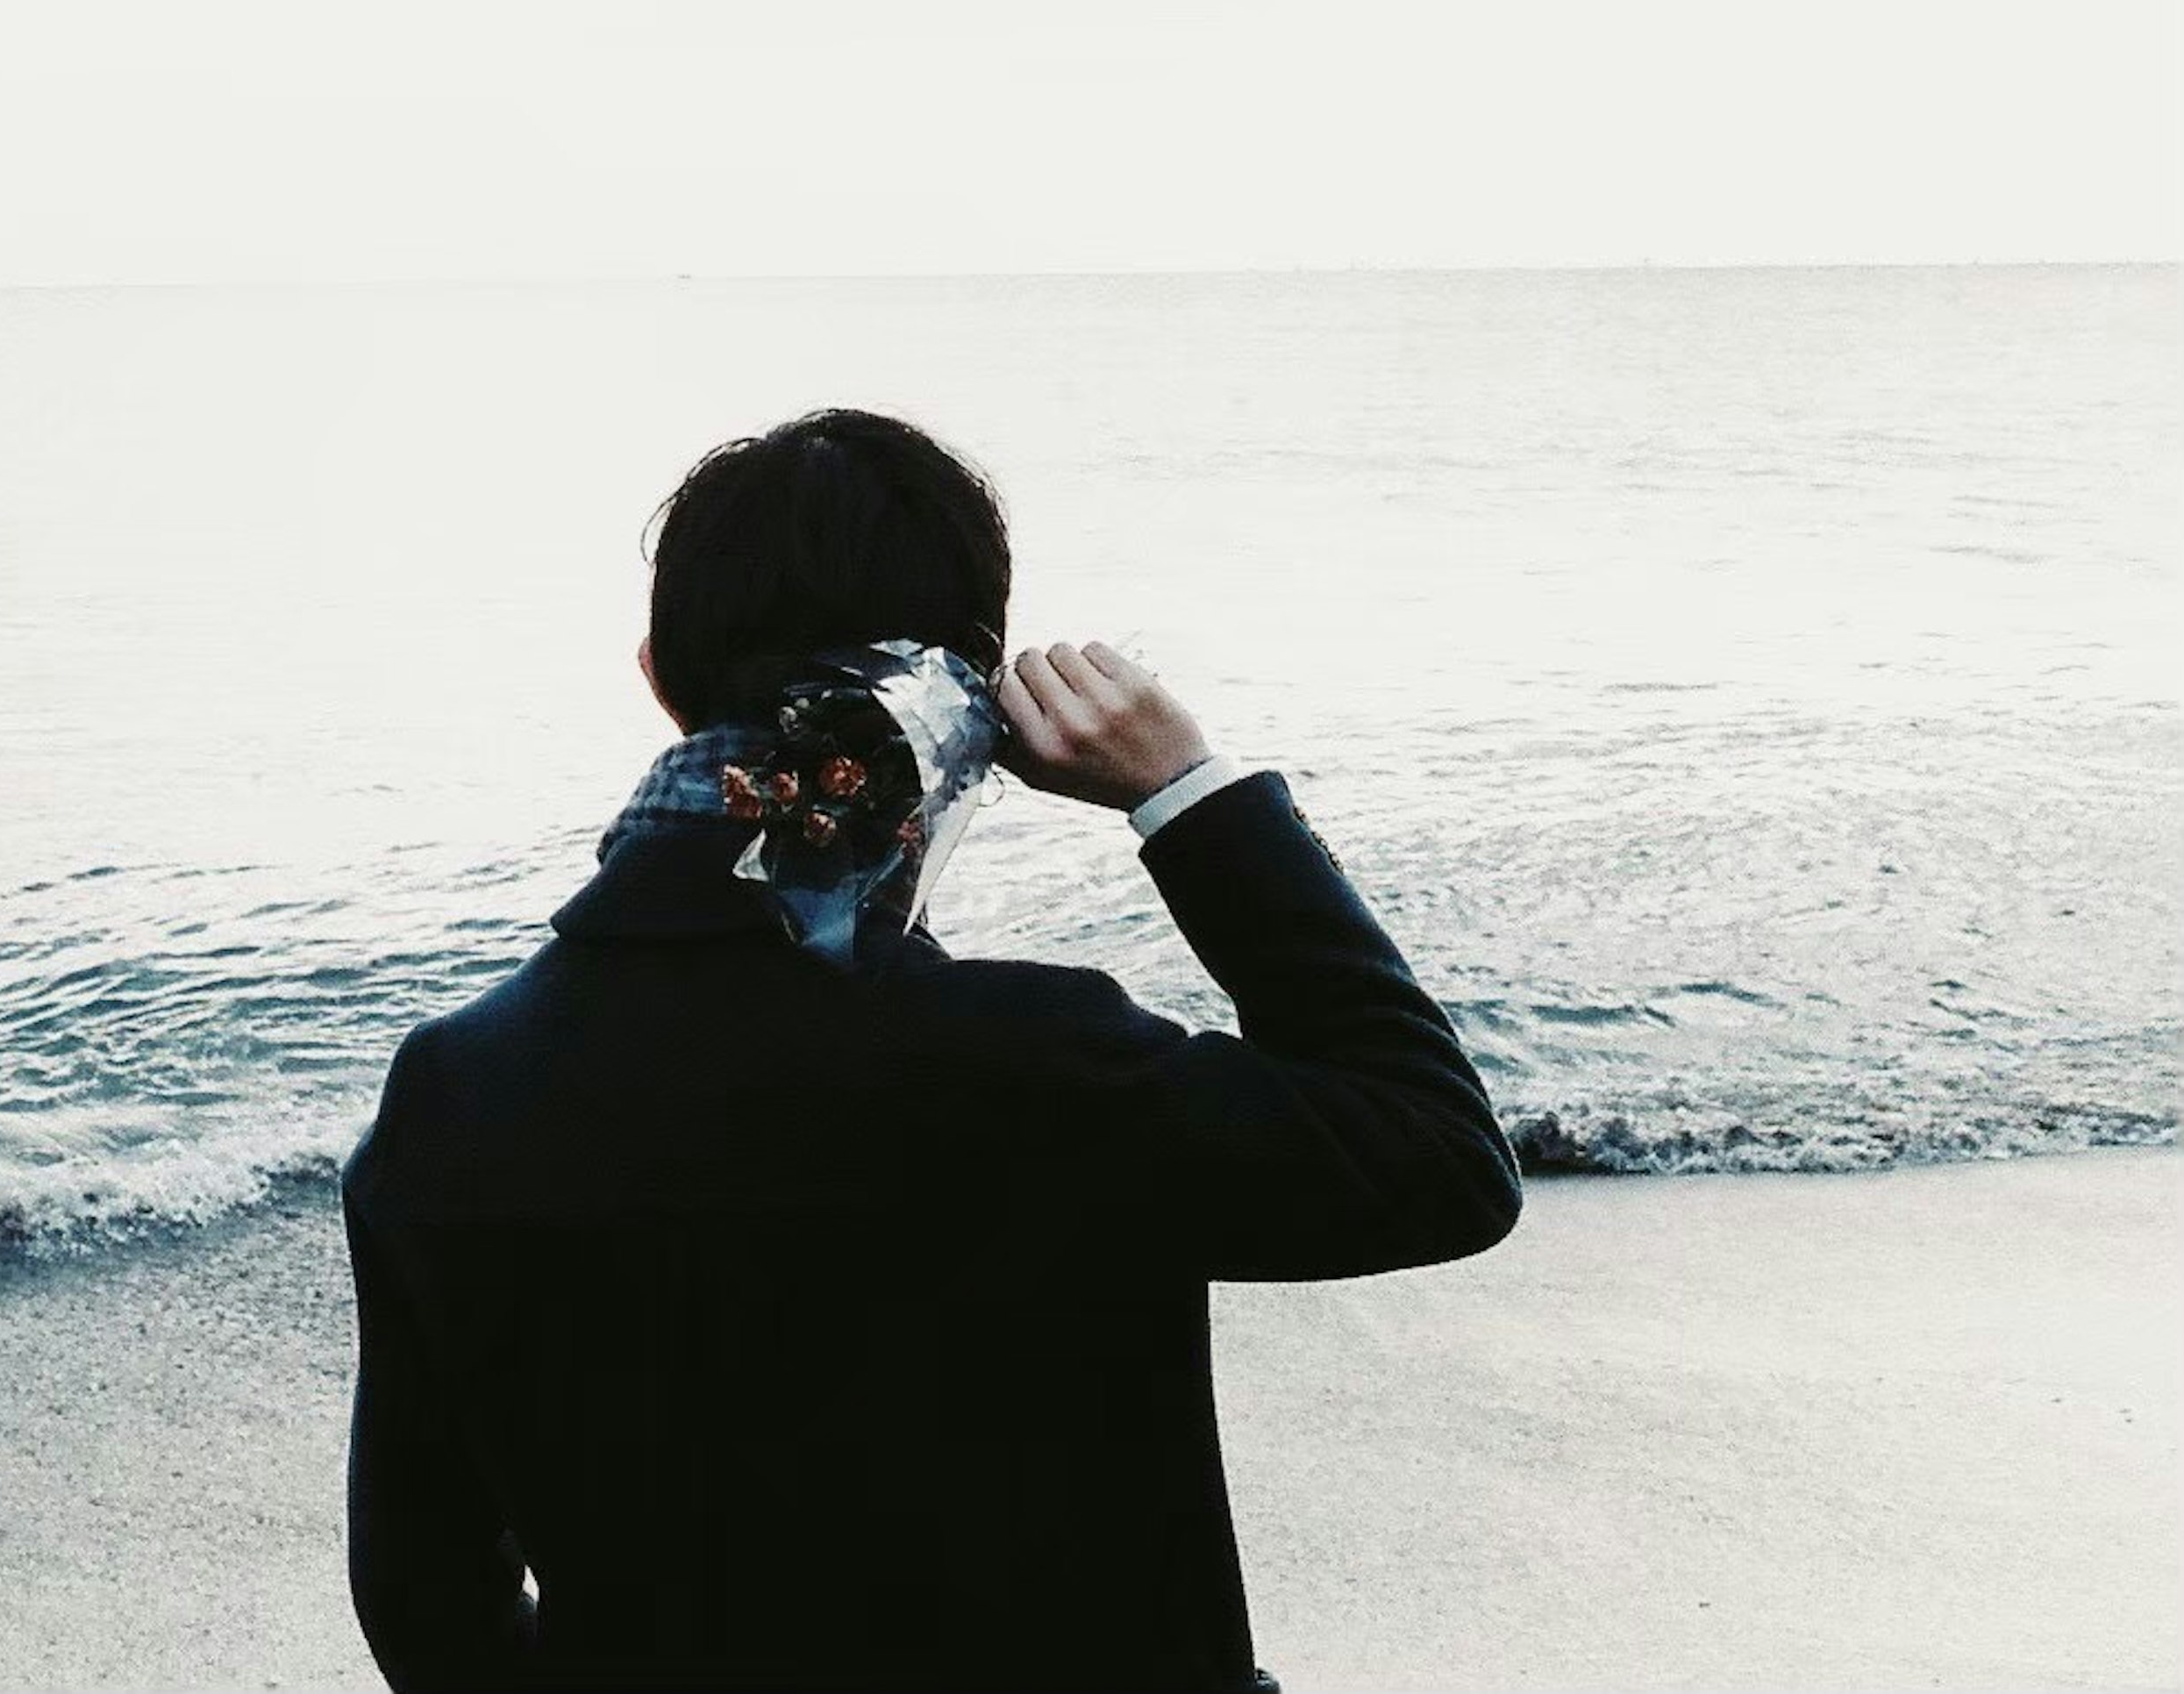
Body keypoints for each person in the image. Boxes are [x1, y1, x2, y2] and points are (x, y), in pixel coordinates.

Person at [338, 406, 1522, 1693]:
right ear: (970, 705)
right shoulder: (1035, 1067)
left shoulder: (454, 1094)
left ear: (658, 677)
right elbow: (1440, 1159)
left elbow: (425, 1598)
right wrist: (1191, 792)